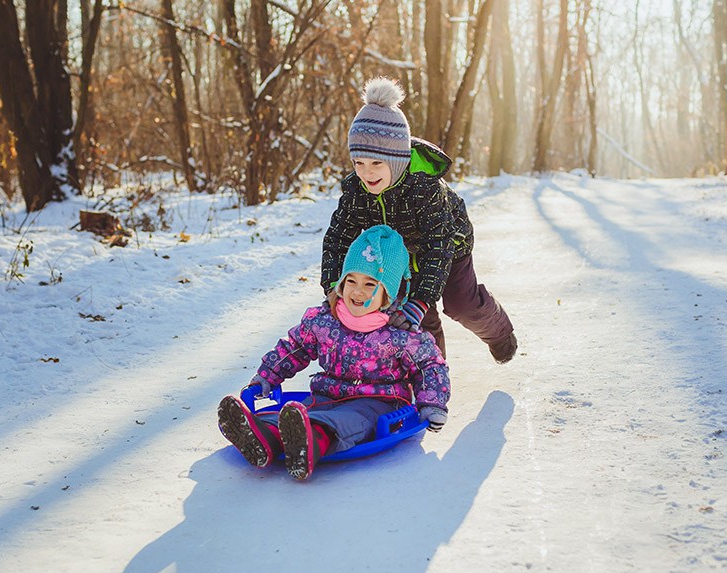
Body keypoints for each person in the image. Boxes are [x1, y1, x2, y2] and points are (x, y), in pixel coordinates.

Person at [218, 225, 449, 481]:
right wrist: (266, 377)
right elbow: (293, 348)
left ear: (388, 293)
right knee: (300, 413)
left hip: (378, 402)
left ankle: (310, 444)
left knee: (348, 420)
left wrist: (431, 404)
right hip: (326, 395)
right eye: (351, 281)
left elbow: (430, 366)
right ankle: (264, 437)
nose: (358, 291)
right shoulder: (325, 321)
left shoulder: (401, 334)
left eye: (370, 284)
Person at [321, 77, 517, 363]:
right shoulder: (356, 191)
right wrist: (333, 286)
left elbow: (439, 246)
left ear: (397, 159)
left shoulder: (424, 188)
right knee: (412, 318)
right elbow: (338, 238)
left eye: (376, 163)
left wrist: (423, 299)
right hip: (395, 255)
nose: (366, 172)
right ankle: (429, 377)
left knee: (461, 305)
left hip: (448, 246)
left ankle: (500, 334)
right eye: (358, 163)